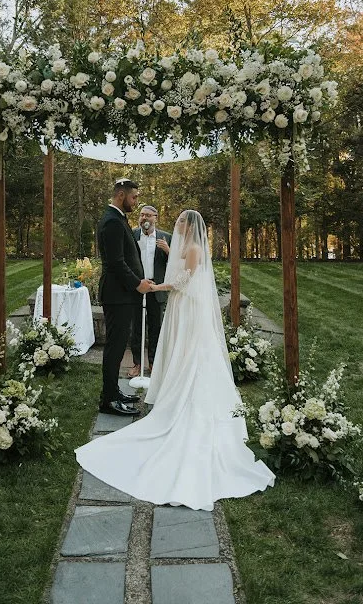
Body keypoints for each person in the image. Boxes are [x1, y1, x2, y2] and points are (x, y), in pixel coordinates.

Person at [76, 210, 275, 510]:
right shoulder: (186, 248)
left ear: (190, 227)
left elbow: (183, 281)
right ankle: (181, 388)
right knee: (183, 354)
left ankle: (192, 397)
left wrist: (156, 287)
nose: (177, 227)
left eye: (181, 223)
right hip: (182, 307)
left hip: (188, 307)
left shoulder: (193, 250)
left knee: (193, 353)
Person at [97, 178, 154, 416]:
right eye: (134, 197)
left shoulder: (118, 218)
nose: (136, 201)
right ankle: (108, 400)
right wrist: (137, 284)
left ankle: (113, 392)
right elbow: (116, 263)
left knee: (119, 348)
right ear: (121, 195)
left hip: (122, 296)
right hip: (117, 295)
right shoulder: (111, 222)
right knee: (114, 348)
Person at [129, 206, 171, 377]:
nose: (144, 218)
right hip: (137, 287)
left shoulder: (166, 237)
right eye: (142, 215)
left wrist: (168, 250)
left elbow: (177, 263)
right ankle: (137, 363)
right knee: (136, 328)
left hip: (156, 288)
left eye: (148, 215)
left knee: (156, 328)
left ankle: (153, 362)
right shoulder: (132, 235)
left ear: (156, 218)